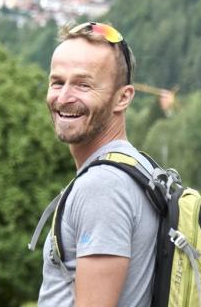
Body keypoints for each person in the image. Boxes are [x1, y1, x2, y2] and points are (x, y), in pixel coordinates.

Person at [37, 21, 158, 307]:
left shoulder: (102, 186)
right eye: (57, 82)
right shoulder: (140, 168)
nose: (63, 98)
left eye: (83, 84)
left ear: (122, 98)